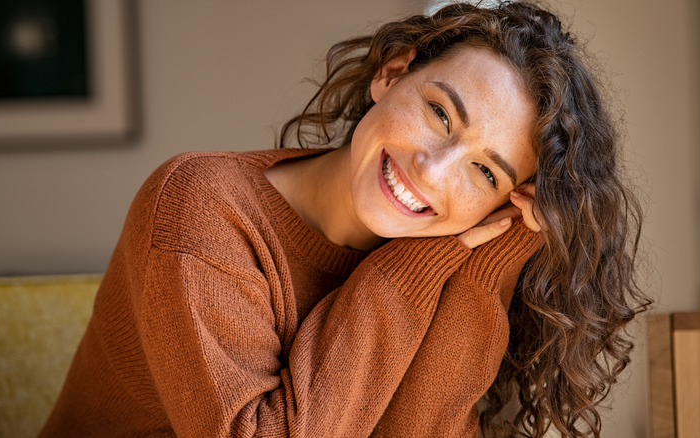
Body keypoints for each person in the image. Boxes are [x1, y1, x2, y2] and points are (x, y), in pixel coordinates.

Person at [39, 1, 649, 437]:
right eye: (440, 114)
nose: (433, 172)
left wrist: (486, 263)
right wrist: (411, 265)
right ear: (391, 74)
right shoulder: (201, 207)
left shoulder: (454, 260)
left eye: (486, 174)